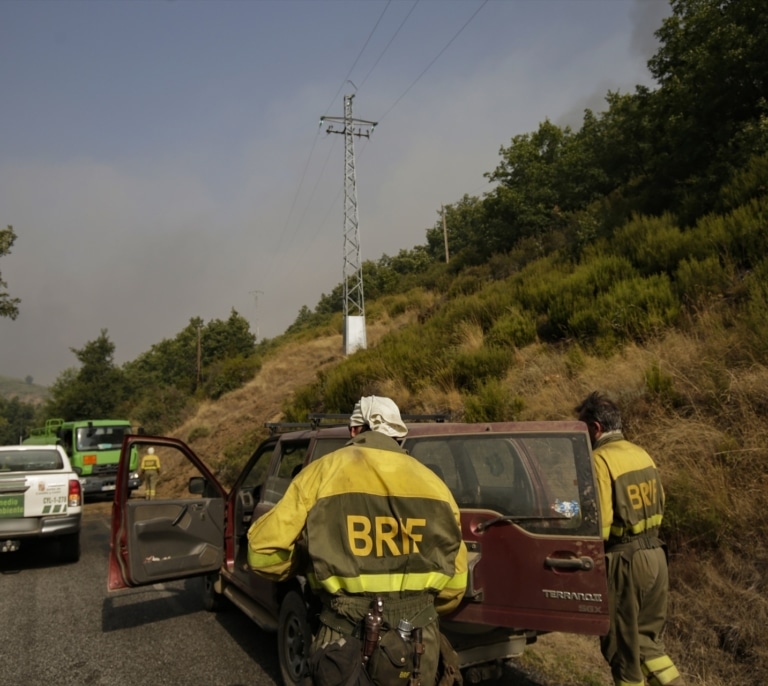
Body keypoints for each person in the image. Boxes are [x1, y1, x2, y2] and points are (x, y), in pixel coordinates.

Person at [247, 395, 468, 686]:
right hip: (418, 646)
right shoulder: (436, 487)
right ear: (399, 435)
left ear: (354, 430)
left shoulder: (321, 473)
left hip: (343, 641)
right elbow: (455, 586)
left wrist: (308, 560)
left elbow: (262, 553)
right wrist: (416, 606)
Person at [575, 391, 684, 686]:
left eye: (582, 429)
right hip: (656, 556)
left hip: (625, 563)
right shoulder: (641, 453)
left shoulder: (599, 460)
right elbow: (661, 500)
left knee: (623, 653)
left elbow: (602, 526)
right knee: (648, 645)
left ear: (595, 427)